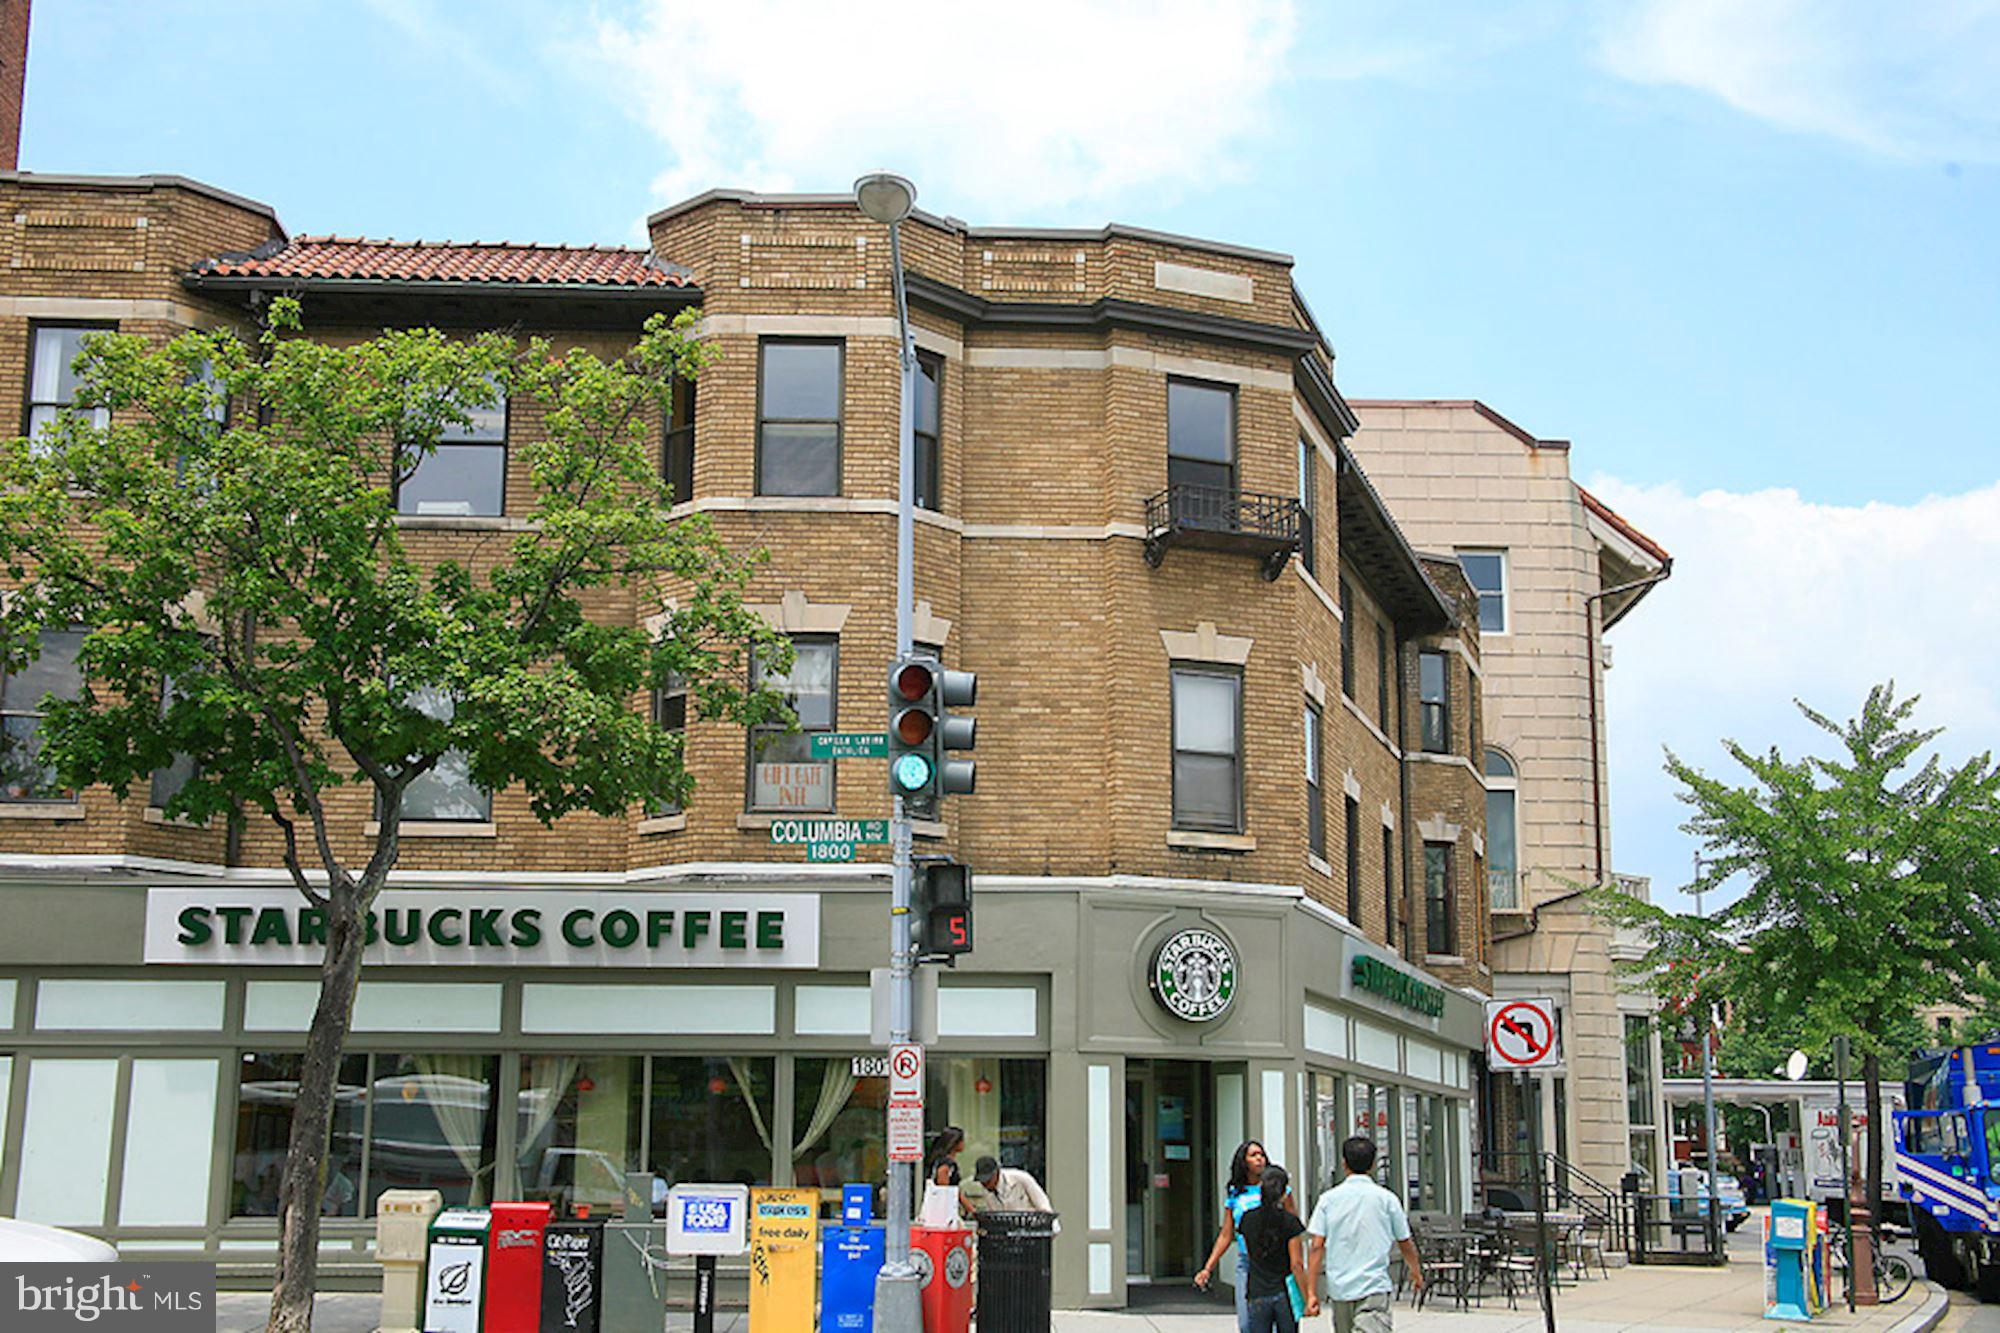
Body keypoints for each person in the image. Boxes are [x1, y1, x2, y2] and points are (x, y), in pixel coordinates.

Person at [1306, 1136, 1423, 1333]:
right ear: (1373, 1165)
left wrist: (1311, 1292)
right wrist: (1415, 1271)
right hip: (1373, 1286)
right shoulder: (1387, 1199)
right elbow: (1404, 1242)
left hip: (1340, 1290)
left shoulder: (1328, 1200)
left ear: (1344, 1163)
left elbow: (1316, 1246)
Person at [1196, 1140, 1296, 1331]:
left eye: (1262, 1154)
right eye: (1253, 1155)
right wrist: (1208, 1268)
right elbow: (1226, 1235)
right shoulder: (1236, 1194)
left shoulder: (1279, 1190)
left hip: (1276, 1263)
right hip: (1248, 1263)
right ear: (1244, 1162)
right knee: (1247, 1323)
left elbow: (1292, 1227)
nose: (1259, 1159)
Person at [1236, 1164, 1318, 1332]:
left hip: (1257, 1290)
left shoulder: (1247, 1219)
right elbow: (1296, 1264)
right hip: (1284, 1293)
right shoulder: (1289, 1222)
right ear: (1284, 1192)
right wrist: (1308, 1296)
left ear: (1261, 1188)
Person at [971, 1155, 1053, 1213]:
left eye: (988, 1181)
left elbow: (1043, 1205)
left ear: (996, 1173)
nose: (986, 1185)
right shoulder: (987, 1193)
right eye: (983, 1182)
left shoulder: (1021, 1178)